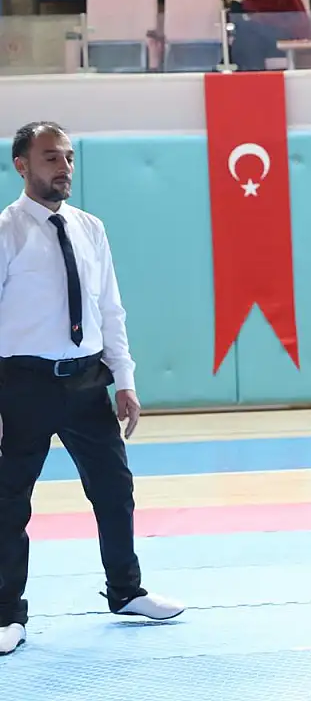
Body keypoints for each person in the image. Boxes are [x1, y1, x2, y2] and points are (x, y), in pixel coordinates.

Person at [0, 122, 186, 657]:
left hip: (86, 381)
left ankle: (126, 591)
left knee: (114, 488)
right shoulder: (7, 231)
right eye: (50, 158)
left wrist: (124, 379)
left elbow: (109, 307)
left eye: (68, 157)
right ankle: (7, 612)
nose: (63, 168)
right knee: (10, 500)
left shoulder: (90, 228)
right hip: (22, 384)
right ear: (22, 165)